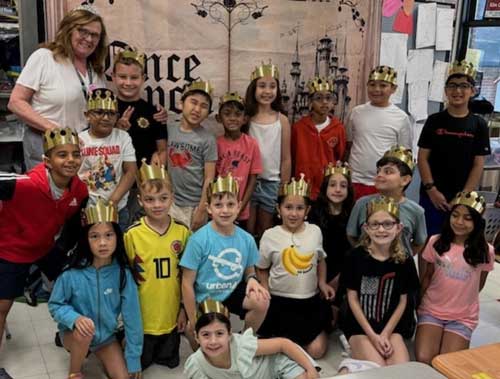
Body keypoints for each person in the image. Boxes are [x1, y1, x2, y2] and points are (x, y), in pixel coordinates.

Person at [0, 128, 88, 379]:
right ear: (47, 162)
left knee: (74, 286)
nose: (70, 160)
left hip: (45, 247)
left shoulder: (79, 191)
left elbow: (72, 228)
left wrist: (63, 253)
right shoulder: (23, 184)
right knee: (2, 306)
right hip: (10, 249)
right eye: (62, 155)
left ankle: (68, 334)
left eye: (75, 154)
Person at [48, 199, 143, 379]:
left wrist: (133, 358)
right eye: (94, 236)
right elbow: (55, 305)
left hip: (106, 338)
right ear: (86, 239)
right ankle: (74, 372)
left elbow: (133, 317)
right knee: (85, 332)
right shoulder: (72, 273)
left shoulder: (123, 274)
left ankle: (93, 351)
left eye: (109, 235)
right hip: (73, 333)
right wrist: (75, 318)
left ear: (117, 237)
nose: (102, 243)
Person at [8, 4, 108, 170]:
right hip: (46, 145)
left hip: (81, 149)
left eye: (95, 35)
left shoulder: (95, 70)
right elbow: (16, 102)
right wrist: (57, 131)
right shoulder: (44, 58)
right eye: (83, 31)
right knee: (48, 195)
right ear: (69, 30)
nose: (89, 39)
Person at [180, 174, 270, 350]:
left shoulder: (246, 239)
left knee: (261, 300)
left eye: (230, 204)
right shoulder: (198, 240)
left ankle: (245, 342)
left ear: (239, 207)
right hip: (205, 295)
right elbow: (186, 283)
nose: (225, 210)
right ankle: (201, 352)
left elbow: (249, 269)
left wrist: (252, 279)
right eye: (218, 205)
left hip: (231, 290)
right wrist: (193, 318)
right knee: (194, 329)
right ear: (209, 208)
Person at [257, 174, 334, 359]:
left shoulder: (315, 231)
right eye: (288, 207)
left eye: (299, 208)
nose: (293, 213)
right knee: (271, 351)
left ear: (307, 210)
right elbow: (261, 267)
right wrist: (265, 289)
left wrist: (322, 283)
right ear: (278, 209)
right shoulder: (269, 235)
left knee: (316, 351)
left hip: (308, 302)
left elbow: (321, 259)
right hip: (279, 302)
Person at [124, 160, 190, 370]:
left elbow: (187, 277)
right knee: (141, 362)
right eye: (150, 199)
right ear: (140, 201)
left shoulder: (182, 232)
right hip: (142, 314)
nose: (157, 205)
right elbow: (126, 278)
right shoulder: (132, 234)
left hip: (171, 312)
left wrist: (183, 310)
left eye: (163, 198)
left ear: (172, 198)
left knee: (170, 361)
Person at [415, 191, 494, 364]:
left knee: (447, 362)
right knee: (424, 358)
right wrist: (419, 304)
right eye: (455, 215)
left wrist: (462, 301)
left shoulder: (485, 251)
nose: (459, 222)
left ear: (477, 222)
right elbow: (427, 276)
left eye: (467, 218)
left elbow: (479, 284)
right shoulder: (435, 241)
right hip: (431, 310)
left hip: (462, 316)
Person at [341, 196, 417, 367]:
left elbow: (403, 301)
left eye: (387, 224)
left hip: (391, 327)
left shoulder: (404, 259)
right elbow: (352, 299)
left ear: (398, 228)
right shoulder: (355, 257)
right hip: (361, 327)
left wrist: (385, 334)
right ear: (366, 228)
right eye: (375, 224)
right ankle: (351, 350)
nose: (381, 230)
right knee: (377, 369)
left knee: (400, 370)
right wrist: (373, 336)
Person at [418, 60, 491, 235]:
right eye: (452, 86)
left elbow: (478, 164)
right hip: (432, 195)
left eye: (464, 86)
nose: (457, 91)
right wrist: (432, 189)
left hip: (462, 198)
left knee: (456, 241)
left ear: (473, 91)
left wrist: (463, 197)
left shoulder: (479, 124)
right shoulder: (434, 121)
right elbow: (422, 158)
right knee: (428, 239)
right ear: (446, 90)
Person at [184, 299, 319, 379]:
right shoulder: (196, 365)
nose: (213, 341)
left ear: (230, 334)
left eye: (219, 333)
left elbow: (283, 344)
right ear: (196, 337)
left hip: (277, 365)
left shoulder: (240, 344)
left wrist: (310, 369)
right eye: (206, 335)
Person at [111, 46, 169, 224]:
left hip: (142, 187)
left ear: (143, 79)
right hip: (113, 185)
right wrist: (117, 129)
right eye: (122, 77)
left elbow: (162, 150)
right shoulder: (106, 110)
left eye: (134, 77)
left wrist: (158, 161)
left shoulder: (153, 112)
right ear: (113, 77)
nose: (128, 82)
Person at [347, 146, 427, 258]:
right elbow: (351, 235)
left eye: (388, 171)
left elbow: (419, 241)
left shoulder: (416, 211)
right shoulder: (361, 204)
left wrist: (404, 257)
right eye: (378, 171)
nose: (379, 175)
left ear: (405, 180)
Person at [345, 65, 411, 200]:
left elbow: (405, 155)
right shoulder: (356, 112)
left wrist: (399, 187)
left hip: (385, 184)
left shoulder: (401, 117)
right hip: (355, 180)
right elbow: (348, 144)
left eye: (383, 85)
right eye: (372, 85)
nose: (376, 89)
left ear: (393, 89)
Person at [78, 88, 137, 231]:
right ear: (87, 115)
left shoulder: (123, 137)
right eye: (99, 112)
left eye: (111, 113)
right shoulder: (79, 140)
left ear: (116, 117)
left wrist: (113, 201)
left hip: (117, 208)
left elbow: (131, 171)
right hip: (86, 208)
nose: (105, 118)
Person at [245, 62, 291, 237]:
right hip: (249, 182)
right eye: (262, 86)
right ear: (253, 89)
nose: (267, 91)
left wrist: (283, 188)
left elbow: (286, 158)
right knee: (248, 229)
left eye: (272, 86)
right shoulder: (246, 119)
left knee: (266, 230)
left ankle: (263, 263)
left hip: (271, 182)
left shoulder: (282, 120)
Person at [308, 162, 354, 327]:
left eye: (343, 186)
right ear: (325, 188)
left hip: (343, 270)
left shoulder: (352, 214)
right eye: (332, 185)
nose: (337, 190)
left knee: (333, 321)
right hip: (316, 267)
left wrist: (338, 279)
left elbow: (352, 251)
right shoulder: (313, 212)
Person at [167, 80, 217, 231]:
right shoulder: (169, 129)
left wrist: (202, 209)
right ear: (181, 104)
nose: (197, 109)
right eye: (193, 102)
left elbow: (209, 177)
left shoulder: (208, 139)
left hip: (195, 205)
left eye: (203, 106)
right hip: (171, 203)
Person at [291, 77, 346, 200]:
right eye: (319, 98)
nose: (324, 102)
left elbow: (340, 156)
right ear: (310, 101)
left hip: (328, 189)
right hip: (303, 188)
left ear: (333, 102)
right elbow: (293, 156)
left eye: (328, 98)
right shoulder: (298, 128)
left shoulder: (338, 128)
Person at [215, 91, 262, 227]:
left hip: (242, 208)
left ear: (245, 119)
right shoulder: (215, 144)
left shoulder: (251, 144)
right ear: (219, 118)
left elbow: (253, 179)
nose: (232, 118)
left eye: (237, 114)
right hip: (218, 208)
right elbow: (212, 178)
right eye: (227, 114)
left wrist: (240, 206)